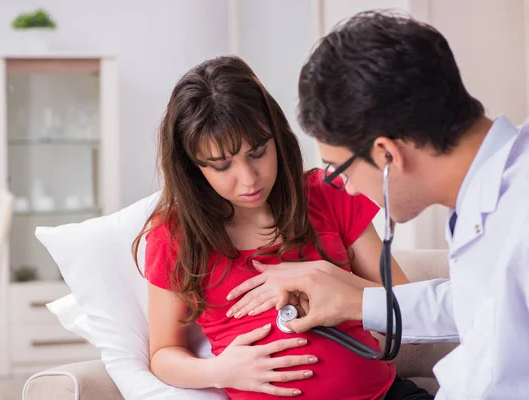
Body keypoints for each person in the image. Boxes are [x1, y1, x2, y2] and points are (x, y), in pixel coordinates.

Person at [229, 10, 529, 400]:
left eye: (341, 170)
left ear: (387, 155)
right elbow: (482, 304)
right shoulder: (491, 193)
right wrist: (355, 302)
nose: (349, 190)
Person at [132, 55, 431, 399]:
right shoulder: (174, 235)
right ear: (193, 168)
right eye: (221, 165)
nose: (248, 179)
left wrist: (321, 276)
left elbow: (408, 307)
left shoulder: (330, 193)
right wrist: (219, 371)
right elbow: (163, 355)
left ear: (277, 137)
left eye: (258, 152)